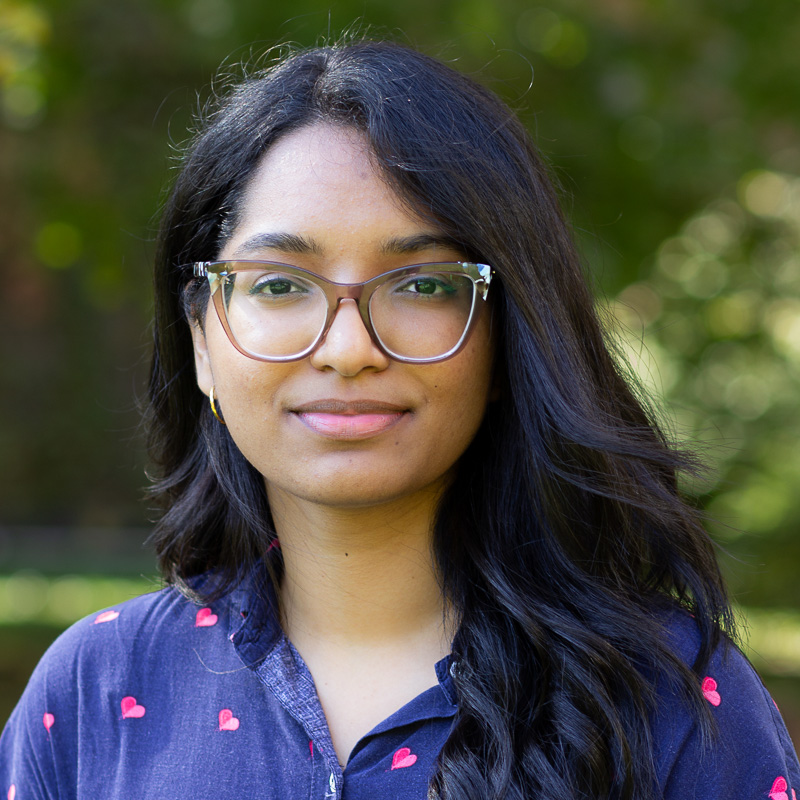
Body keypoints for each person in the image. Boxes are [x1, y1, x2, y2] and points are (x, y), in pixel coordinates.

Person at [1, 37, 798, 800]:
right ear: (202, 340)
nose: (348, 350)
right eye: (279, 284)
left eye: (422, 285)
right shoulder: (94, 691)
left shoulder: (673, 701)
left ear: (506, 338)